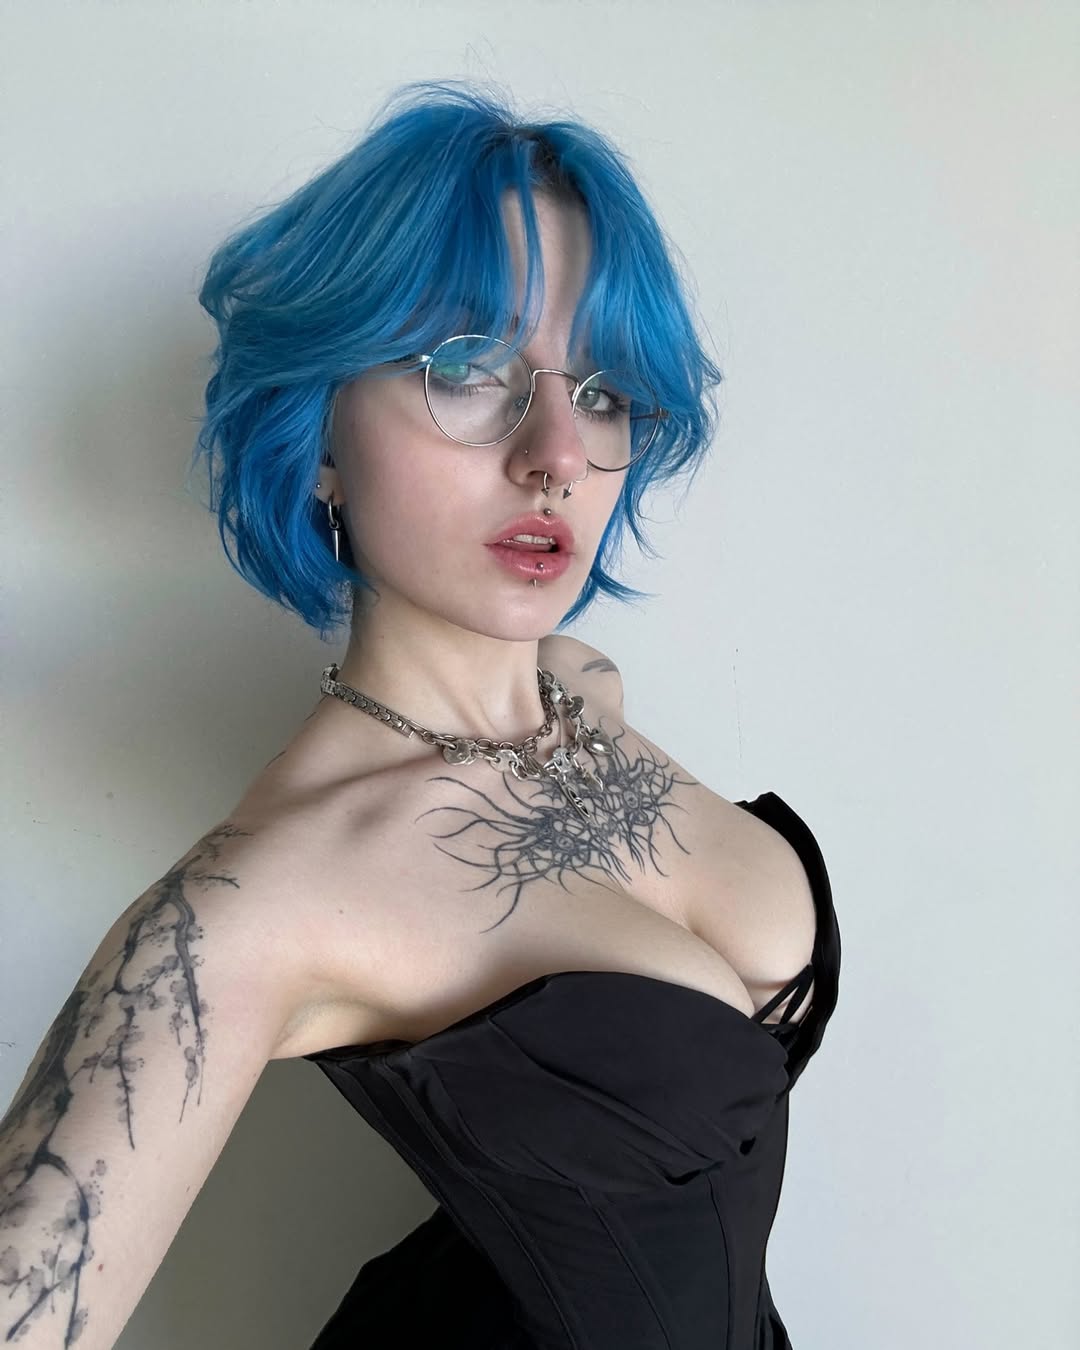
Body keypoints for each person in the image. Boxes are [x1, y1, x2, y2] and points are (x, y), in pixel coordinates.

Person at [0, 80, 841, 1349]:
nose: (556, 451)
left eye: (603, 387)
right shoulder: (258, 906)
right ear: (319, 438)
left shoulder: (581, 692)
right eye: (467, 367)